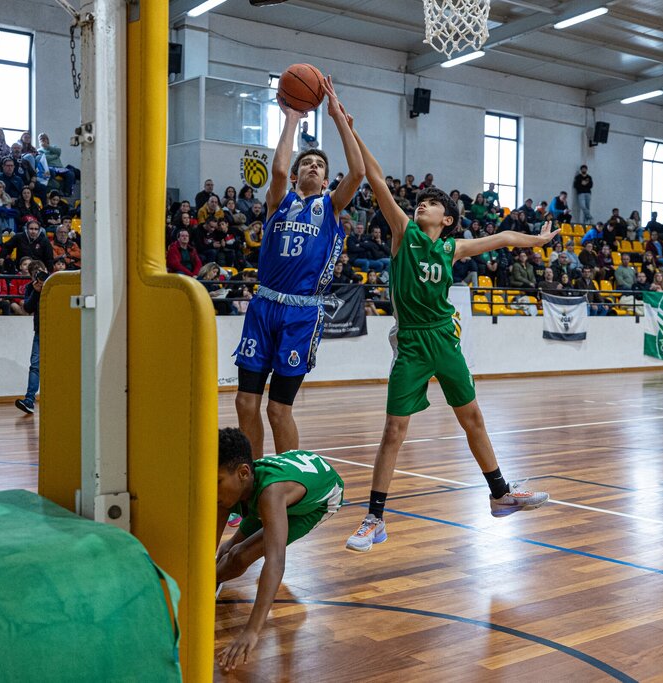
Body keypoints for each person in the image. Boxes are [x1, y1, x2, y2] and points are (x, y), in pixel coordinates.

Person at [343, 120, 553, 553]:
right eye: (420, 203)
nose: (422, 206)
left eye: (431, 205)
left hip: (445, 338)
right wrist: (351, 128)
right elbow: (377, 177)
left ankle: (500, 494)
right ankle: (374, 518)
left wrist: (539, 238)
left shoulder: (451, 248)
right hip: (414, 343)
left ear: (448, 219)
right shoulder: (404, 234)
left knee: (472, 417)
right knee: (393, 432)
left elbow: (502, 238)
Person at [233, 75, 363, 462]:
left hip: (301, 313)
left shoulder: (332, 208)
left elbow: (357, 173)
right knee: (244, 403)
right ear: (296, 173)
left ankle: (291, 482)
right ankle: (252, 482)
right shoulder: (279, 201)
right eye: (305, 162)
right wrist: (291, 118)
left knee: (278, 408)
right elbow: (276, 171)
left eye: (318, 165)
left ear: (326, 178)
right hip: (263, 306)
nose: (311, 166)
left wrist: (338, 117)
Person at [214, 427, 343, 671]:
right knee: (227, 549)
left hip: (317, 503)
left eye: (217, 481)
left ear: (242, 472)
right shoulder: (239, 482)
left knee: (240, 556)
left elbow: (276, 562)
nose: (212, 489)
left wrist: (251, 631)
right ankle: (214, 580)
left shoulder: (270, 493)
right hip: (286, 483)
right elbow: (211, 546)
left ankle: (216, 580)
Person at [16, 259, 47, 414]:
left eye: (40, 272)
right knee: (35, 366)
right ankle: (29, 400)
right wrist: (36, 291)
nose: (39, 276)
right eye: (35, 274)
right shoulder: (31, 287)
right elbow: (27, 308)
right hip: (41, 330)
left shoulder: (56, 283)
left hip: (58, 329)